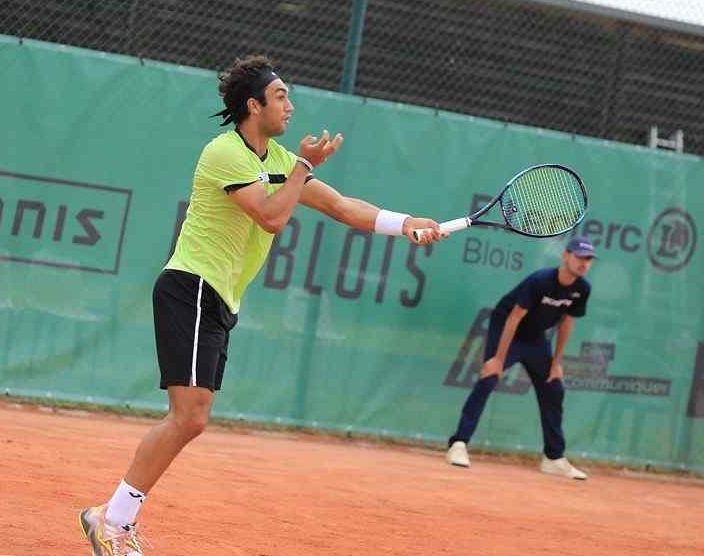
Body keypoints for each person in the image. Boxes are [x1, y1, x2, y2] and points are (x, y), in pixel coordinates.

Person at [78, 55, 444, 555]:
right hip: (192, 286)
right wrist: (303, 167)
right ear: (254, 106)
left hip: (219, 298)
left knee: (192, 418)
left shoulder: (280, 161)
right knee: (189, 417)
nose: (290, 106)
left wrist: (405, 224)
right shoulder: (225, 153)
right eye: (280, 97)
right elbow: (271, 217)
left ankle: (111, 516)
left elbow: (341, 207)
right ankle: (112, 519)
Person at [445, 236, 596, 480]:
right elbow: (514, 317)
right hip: (507, 328)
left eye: (588, 259)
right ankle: (459, 444)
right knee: (489, 378)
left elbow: (567, 323)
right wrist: (498, 359)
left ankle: (553, 458)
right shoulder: (540, 280)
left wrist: (556, 363)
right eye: (580, 257)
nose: (584, 263)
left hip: (535, 338)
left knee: (554, 388)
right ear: (566, 256)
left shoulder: (582, 289)